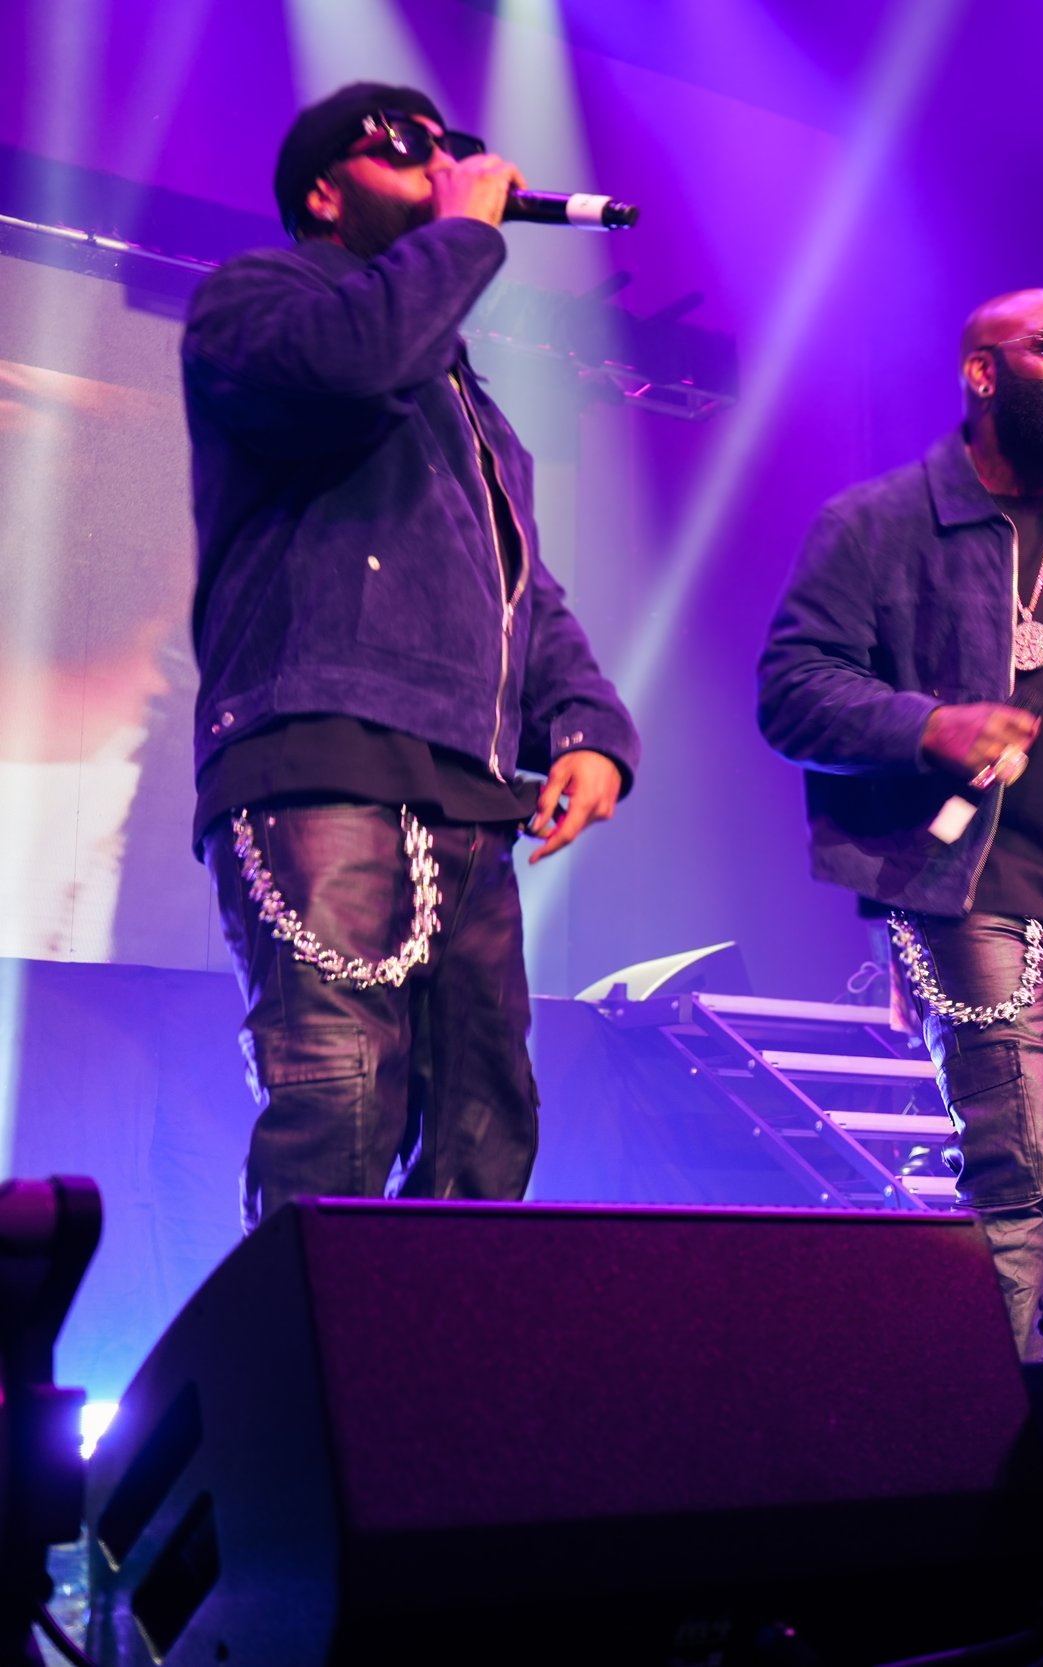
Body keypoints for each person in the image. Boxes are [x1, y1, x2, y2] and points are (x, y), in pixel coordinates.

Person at [185, 84, 638, 1227]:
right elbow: (349, 367)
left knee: (485, 1127)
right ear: (325, 192)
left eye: (456, 152)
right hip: (322, 761)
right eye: (407, 150)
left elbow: (517, 582)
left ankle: (444, 1396)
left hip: (467, 788)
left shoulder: (459, 396)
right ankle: (297, 1394)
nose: (444, 166)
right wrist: (463, 231)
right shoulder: (262, 300)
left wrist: (586, 726)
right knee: (338, 1108)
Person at [758, 289, 1043, 1354]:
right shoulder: (877, 522)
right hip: (964, 891)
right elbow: (790, 690)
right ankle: (1001, 1440)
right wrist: (929, 726)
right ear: (981, 372)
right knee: (1017, 1167)